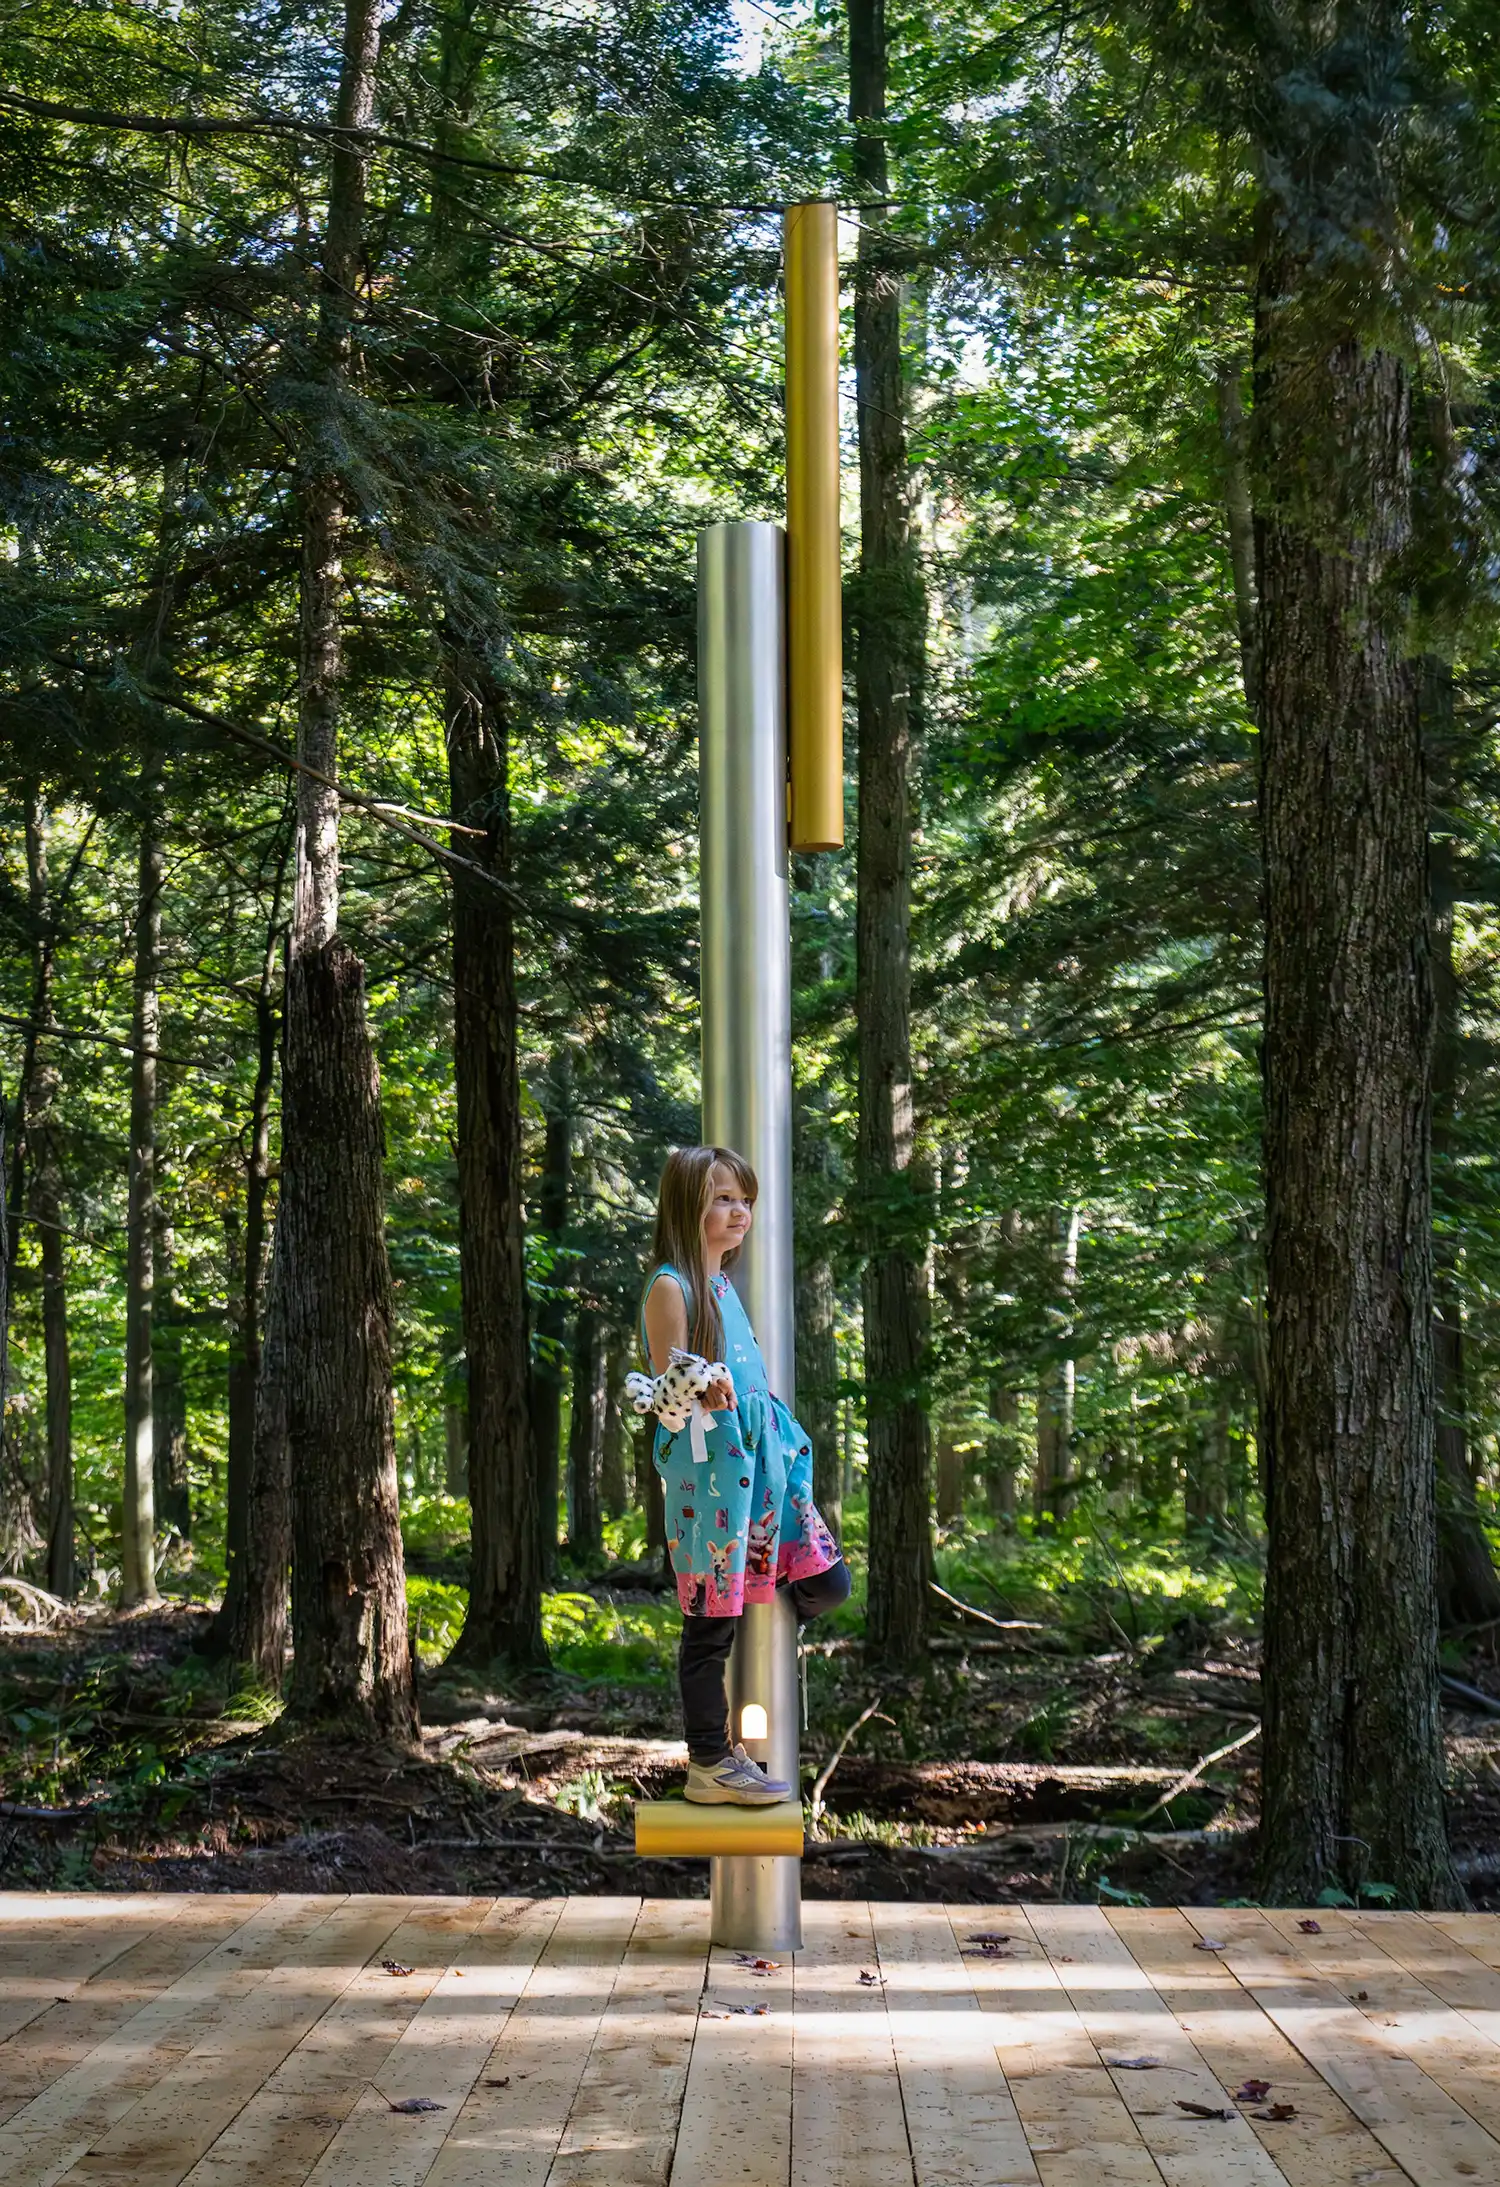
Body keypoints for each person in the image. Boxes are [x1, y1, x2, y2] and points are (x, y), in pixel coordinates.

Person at [640, 1143, 850, 1805]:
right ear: (689, 1203)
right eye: (724, 1198)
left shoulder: (723, 1284)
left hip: (765, 1474)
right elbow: (666, 1403)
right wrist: (702, 1383)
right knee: (709, 1624)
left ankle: (769, 1601)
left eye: (744, 1200)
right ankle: (709, 1760)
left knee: (829, 1580)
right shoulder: (672, 1286)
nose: (740, 1212)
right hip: (712, 1484)